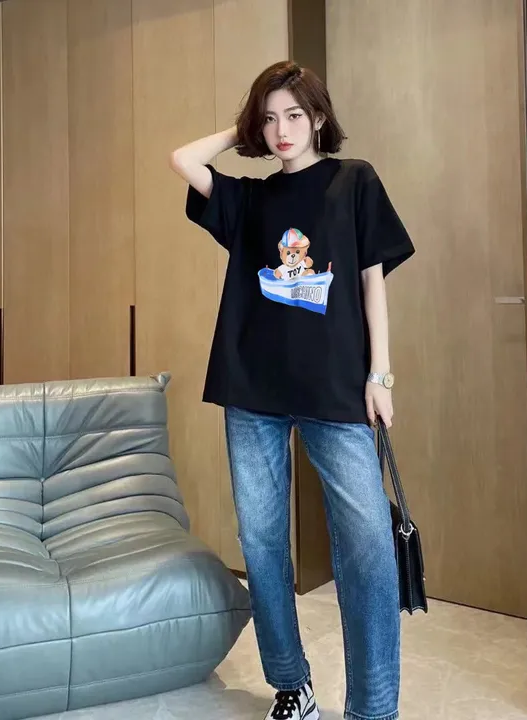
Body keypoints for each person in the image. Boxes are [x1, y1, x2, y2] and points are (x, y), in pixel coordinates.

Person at [170, 61, 415, 720]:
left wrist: (380, 375)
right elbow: (182, 160)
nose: (282, 130)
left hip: (337, 390)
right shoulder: (249, 201)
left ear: (319, 117)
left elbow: (371, 284)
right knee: (261, 543)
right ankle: (291, 684)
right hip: (253, 388)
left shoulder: (353, 181)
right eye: (271, 118)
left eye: (295, 115)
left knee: (367, 548)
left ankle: (374, 709)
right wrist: (243, 126)